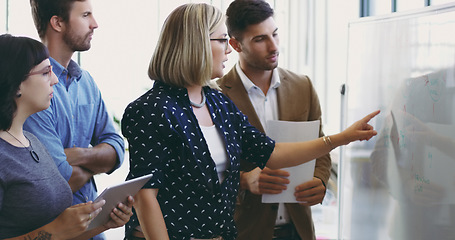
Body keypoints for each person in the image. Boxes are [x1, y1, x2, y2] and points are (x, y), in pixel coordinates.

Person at [121, 3, 379, 240]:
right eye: (222, 41)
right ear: (196, 44)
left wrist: (342, 138)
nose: (228, 50)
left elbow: (272, 152)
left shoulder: (217, 102)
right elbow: (146, 196)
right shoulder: (150, 109)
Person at [0, 33, 133, 240]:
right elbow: (55, 233)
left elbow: (60, 236)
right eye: (45, 73)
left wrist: (101, 224)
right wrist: (57, 228)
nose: (54, 80)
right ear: (17, 84)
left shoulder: (32, 142)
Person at [217, 1, 329, 239]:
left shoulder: (303, 86)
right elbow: (203, 168)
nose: (274, 46)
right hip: (243, 230)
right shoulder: (216, 95)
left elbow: (320, 147)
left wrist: (320, 180)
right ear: (236, 44)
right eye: (260, 39)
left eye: (275, 34)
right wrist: (243, 181)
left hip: (298, 229)